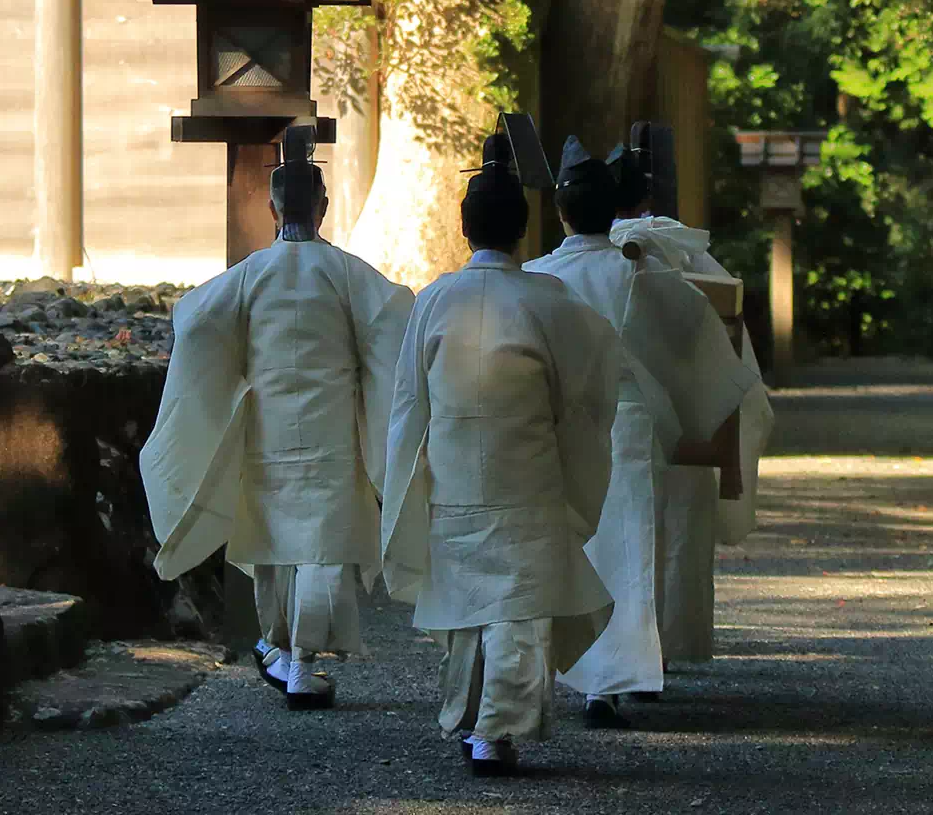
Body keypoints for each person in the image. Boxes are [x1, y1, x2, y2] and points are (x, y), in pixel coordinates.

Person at [141, 125, 414, 710]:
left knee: (276, 548)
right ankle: (300, 662)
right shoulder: (347, 274)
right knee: (320, 550)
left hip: (268, 427)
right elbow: (397, 318)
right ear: (323, 207)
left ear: (271, 207)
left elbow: (194, 319)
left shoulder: (249, 276)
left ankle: (281, 649)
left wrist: (233, 370)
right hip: (332, 429)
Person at [381, 131, 621, 776]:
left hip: (455, 468)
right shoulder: (550, 299)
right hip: (529, 469)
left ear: (464, 228)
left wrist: (405, 475)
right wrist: (576, 462)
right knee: (518, 607)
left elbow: (408, 403)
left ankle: (478, 724)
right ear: (523, 230)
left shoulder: (433, 299)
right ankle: (496, 730)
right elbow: (589, 395)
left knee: (469, 606)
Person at [529, 131, 774, 724]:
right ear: (613, 210)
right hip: (629, 423)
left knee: (567, 543)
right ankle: (613, 678)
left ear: (560, 212)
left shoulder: (537, 276)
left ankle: (563, 672)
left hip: (557, 429)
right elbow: (699, 334)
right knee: (630, 545)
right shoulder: (640, 270)